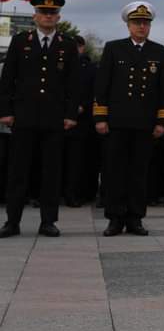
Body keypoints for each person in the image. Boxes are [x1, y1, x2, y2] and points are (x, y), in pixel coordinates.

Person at [0, 0, 80, 238]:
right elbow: (7, 80)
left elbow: (74, 84)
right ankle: (12, 221)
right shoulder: (21, 40)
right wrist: (5, 111)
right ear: (35, 15)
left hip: (54, 119)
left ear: (58, 17)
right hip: (24, 117)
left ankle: (48, 221)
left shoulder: (67, 44)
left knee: (51, 172)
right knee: (18, 171)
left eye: (52, 13)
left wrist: (70, 114)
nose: (48, 16)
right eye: (44, 12)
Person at [94, 2, 164, 236]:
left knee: (139, 173)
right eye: (137, 23)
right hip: (117, 121)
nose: (141, 27)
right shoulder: (114, 48)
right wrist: (100, 116)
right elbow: (102, 86)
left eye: (145, 23)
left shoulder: (159, 51)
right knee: (114, 172)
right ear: (128, 25)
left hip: (145, 123)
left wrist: (162, 121)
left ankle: (135, 218)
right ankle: (115, 218)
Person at [63, 34, 98, 207]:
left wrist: (82, 106)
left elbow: (95, 92)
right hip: (58, 118)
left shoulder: (91, 68)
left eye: (77, 47)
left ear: (82, 47)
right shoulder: (60, 64)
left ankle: (73, 194)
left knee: (76, 161)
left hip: (81, 121)